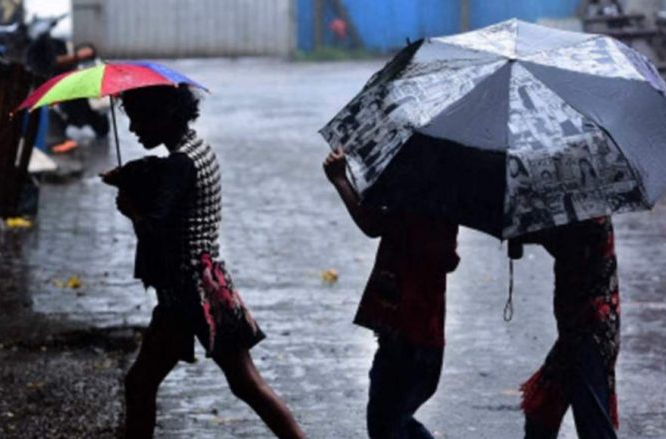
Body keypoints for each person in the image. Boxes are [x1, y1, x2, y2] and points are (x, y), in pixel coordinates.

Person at [101, 85, 305, 439]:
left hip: (191, 294)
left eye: (138, 120)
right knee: (146, 383)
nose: (133, 130)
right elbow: (169, 181)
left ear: (162, 116)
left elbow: (154, 229)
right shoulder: (198, 150)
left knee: (238, 383)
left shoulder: (180, 164)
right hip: (202, 287)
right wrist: (133, 177)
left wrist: (131, 208)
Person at [323, 148, 460, 439]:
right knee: (397, 419)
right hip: (427, 335)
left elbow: (372, 224)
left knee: (385, 423)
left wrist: (340, 180)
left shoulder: (412, 193)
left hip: (404, 335)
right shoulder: (448, 196)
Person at [512, 217, 620, 439]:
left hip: (590, 332)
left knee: (593, 423)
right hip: (575, 331)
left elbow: (561, 239)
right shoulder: (581, 212)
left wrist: (516, 229)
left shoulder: (589, 220)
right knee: (541, 412)